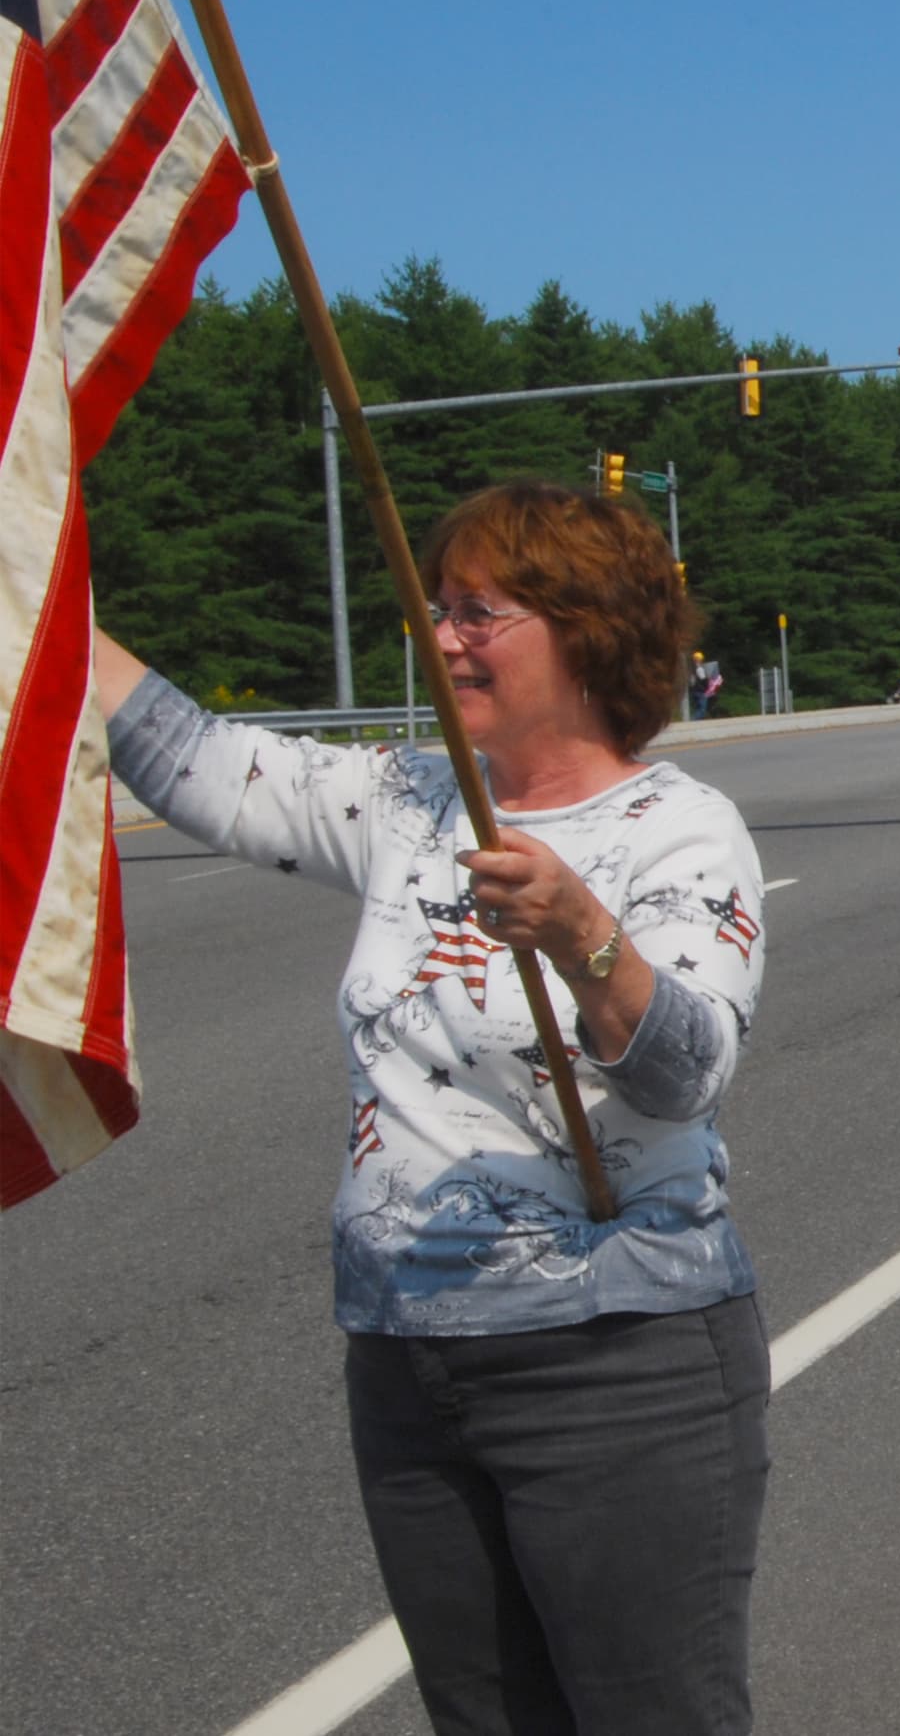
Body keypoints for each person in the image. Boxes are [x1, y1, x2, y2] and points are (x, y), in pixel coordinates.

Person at [101, 480, 774, 1733]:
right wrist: (29, 590)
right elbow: (196, 762)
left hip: (616, 1361)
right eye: (437, 607)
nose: (442, 636)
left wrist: (582, 931)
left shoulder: (680, 827)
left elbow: (688, 1074)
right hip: (408, 1362)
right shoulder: (410, 801)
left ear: (587, 632)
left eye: (478, 612)